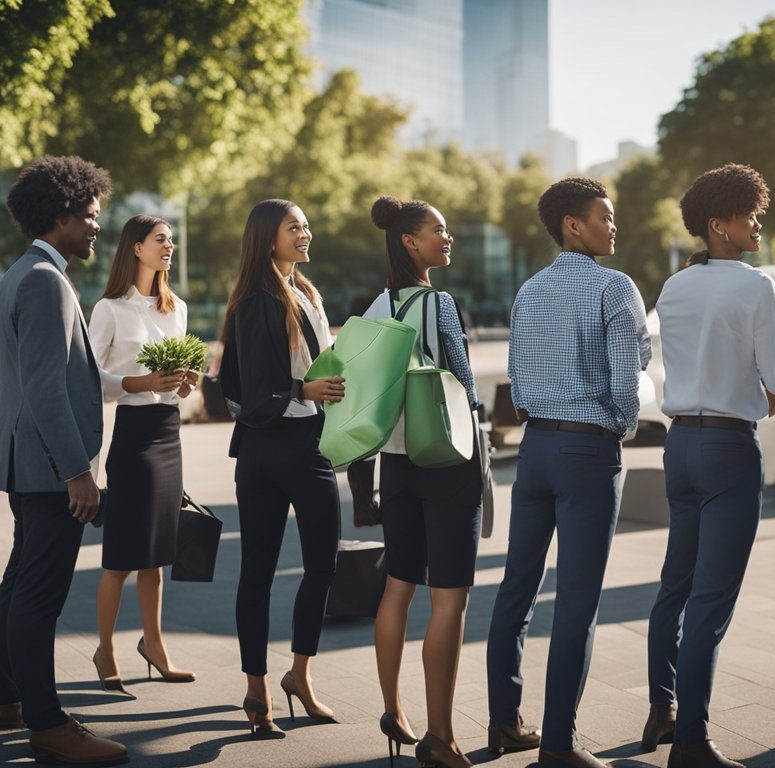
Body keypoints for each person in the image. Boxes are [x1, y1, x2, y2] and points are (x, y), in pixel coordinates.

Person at [485, 177, 651, 768]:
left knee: (516, 590)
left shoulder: (528, 291)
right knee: (577, 602)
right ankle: (557, 746)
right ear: (573, 225)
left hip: (534, 453)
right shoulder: (614, 287)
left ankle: (504, 722)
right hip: (587, 453)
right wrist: (620, 426)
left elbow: (516, 378)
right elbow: (626, 381)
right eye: (604, 216)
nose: (614, 226)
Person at [647, 163, 775, 768]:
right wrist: (763, 400)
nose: (757, 221)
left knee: (674, 586)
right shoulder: (756, 286)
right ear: (719, 224)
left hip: (679, 446)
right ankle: (692, 743)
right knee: (712, 600)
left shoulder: (674, 287)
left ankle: (662, 709)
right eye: (748, 213)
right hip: (731, 447)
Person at [0, 155, 127, 764]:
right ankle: (46, 724)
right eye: (91, 215)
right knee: (39, 593)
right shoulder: (45, 280)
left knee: (20, 581)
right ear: (61, 214)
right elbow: (45, 387)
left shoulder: (23, 272)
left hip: (29, 462)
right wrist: (79, 473)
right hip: (49, 469)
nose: (98, 225)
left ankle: (7, 700)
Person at [218, 199, 345, 736]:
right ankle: (256, 688)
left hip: (309, 441)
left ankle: (299, 674)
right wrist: (302, 389)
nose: (305, 233)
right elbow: (245, 387)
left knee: (322, 565)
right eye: (295, 227)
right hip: (270, 448)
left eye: (307, 226)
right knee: (258, 573)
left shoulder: (305, 293)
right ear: (268, 238)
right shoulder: (256, 298)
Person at [364, 196, 483, 768]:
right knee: (450, 600)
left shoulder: (377, 303)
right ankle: (441, 737)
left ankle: (394, 708)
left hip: (397, 462)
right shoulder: (438, 302)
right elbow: (460, 385)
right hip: (446, 459)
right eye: (440, 229)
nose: (448, 237)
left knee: (398, 587)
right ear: (410, 241)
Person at [88, 214, 198, 693]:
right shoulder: (109, 309)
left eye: (171, 240)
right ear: (135, 247)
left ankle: (154, 646)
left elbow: (179, 390)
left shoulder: (177, 309)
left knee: (156, 555)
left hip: (168, 433)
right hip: (132, 437)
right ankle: (105, 648)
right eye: (160, 239)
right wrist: (137, 383)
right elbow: (88, 379)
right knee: (120, 557)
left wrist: (184, 383)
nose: (169, 246)